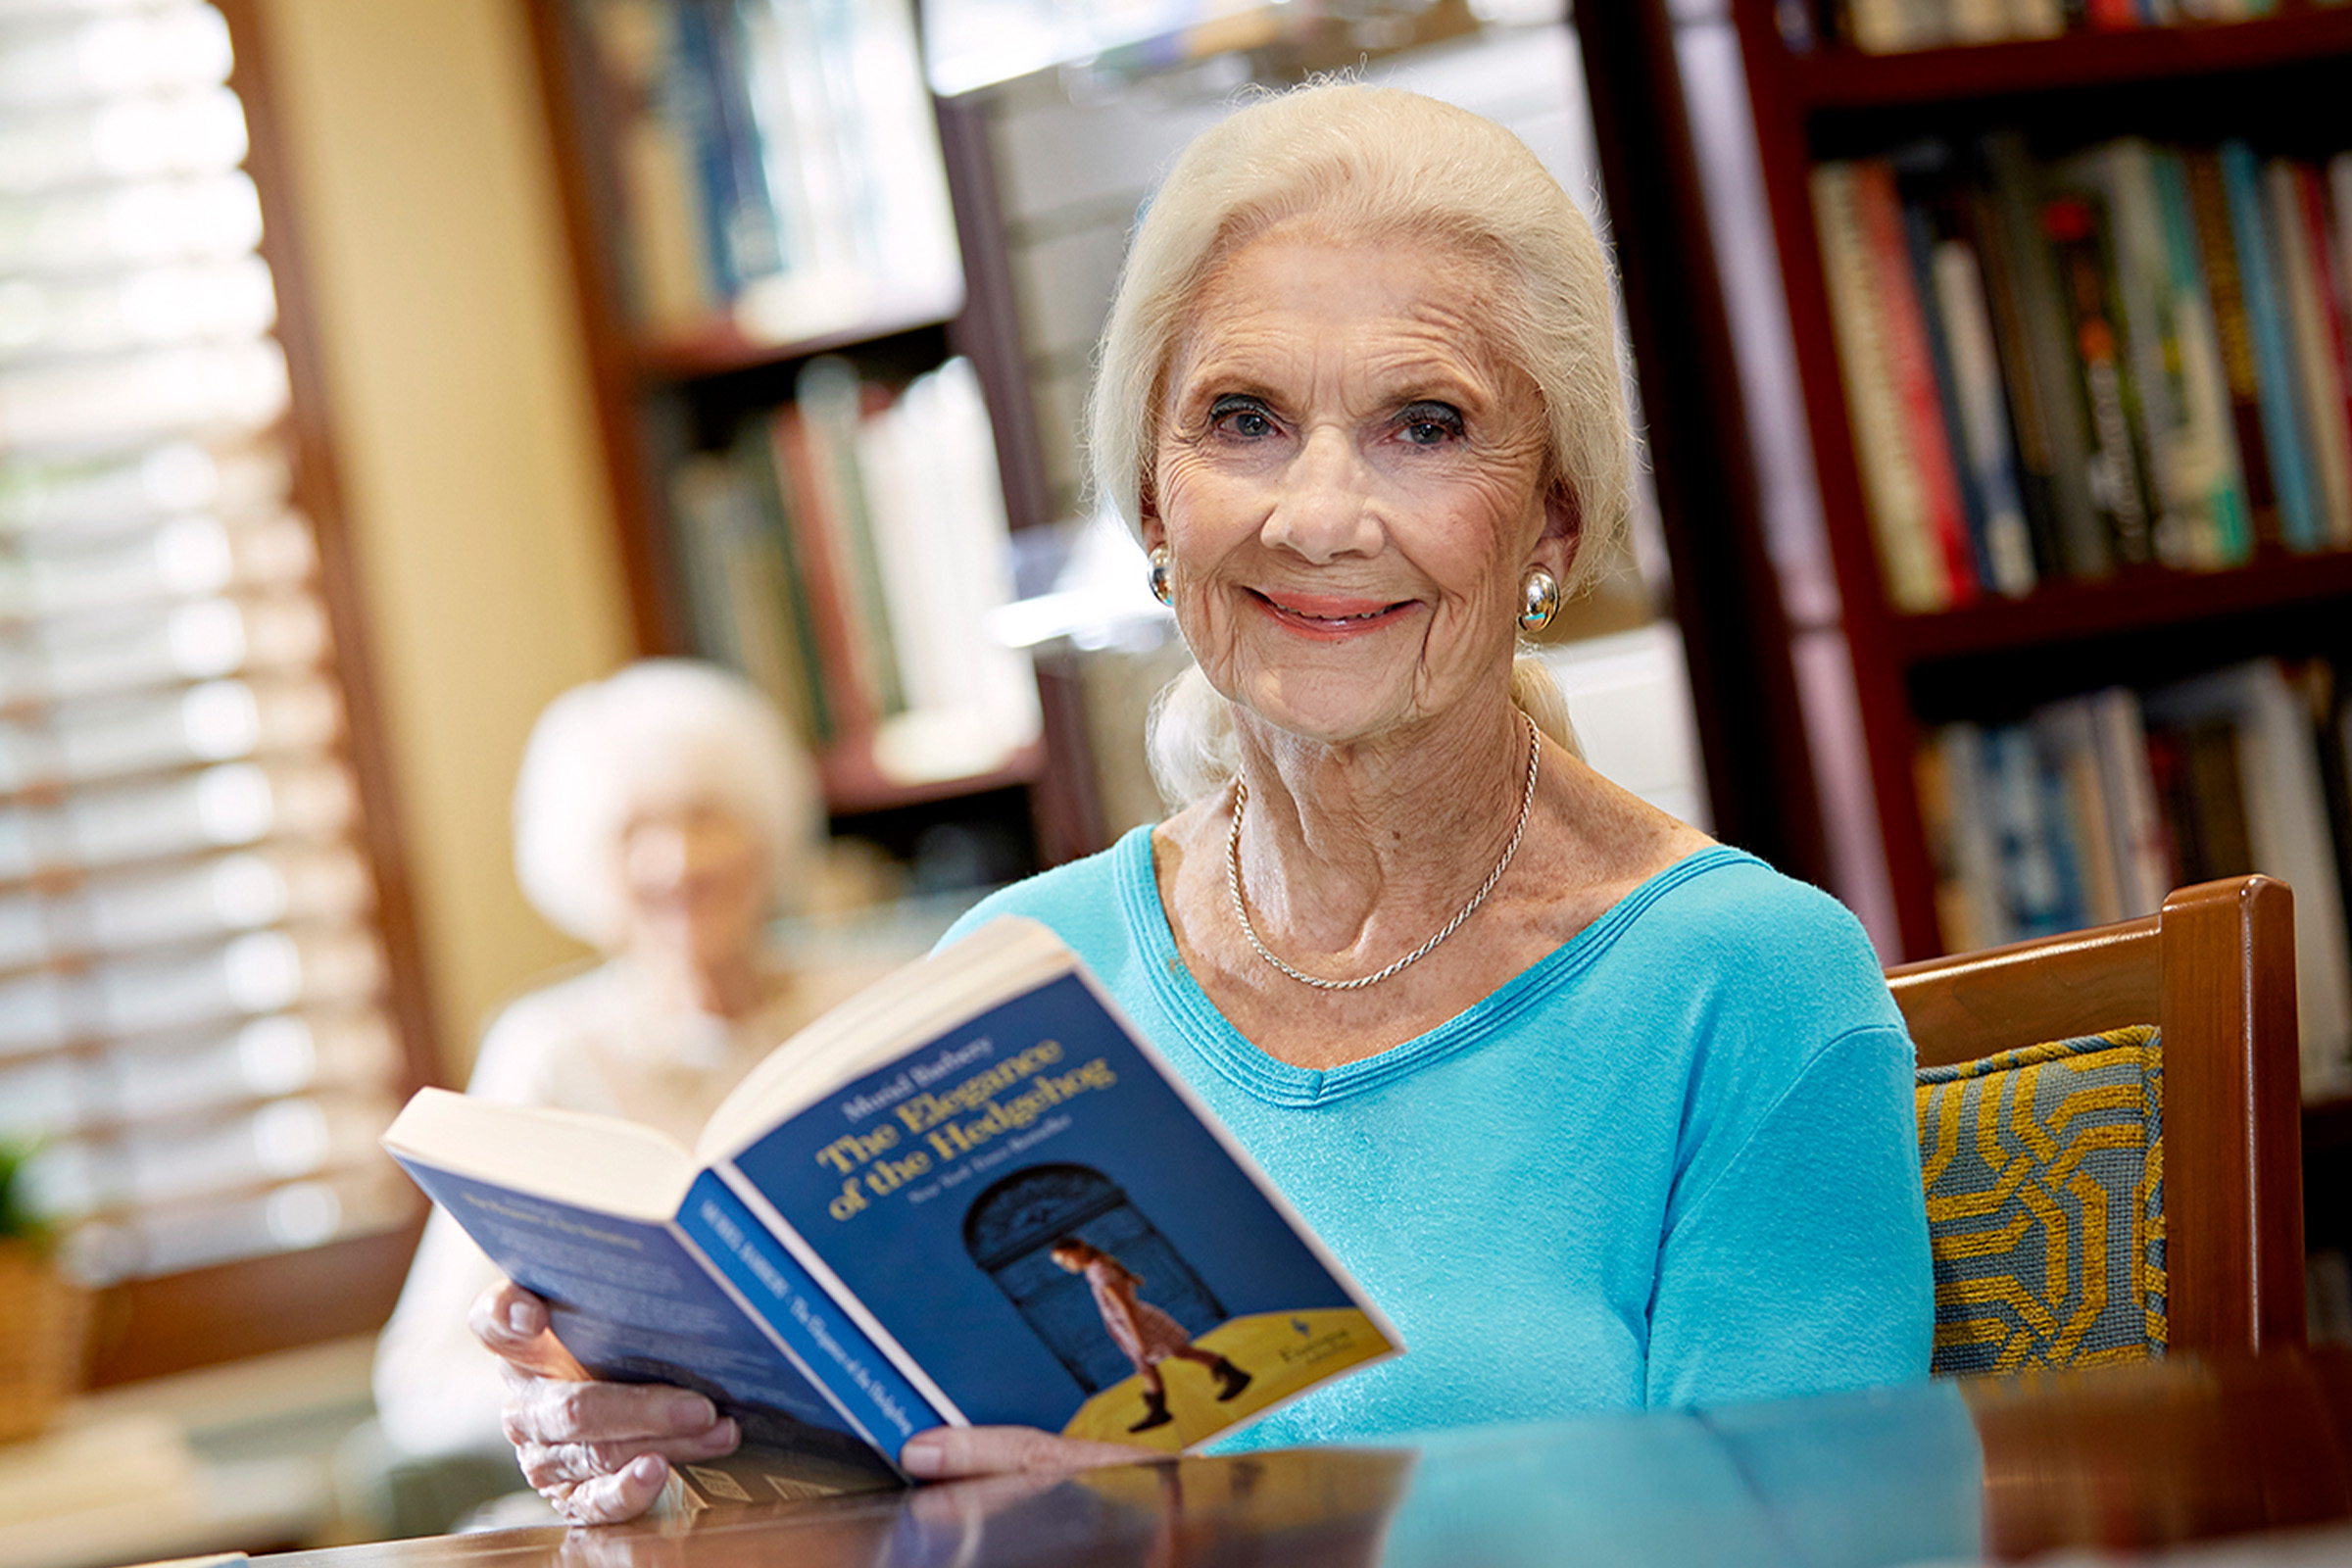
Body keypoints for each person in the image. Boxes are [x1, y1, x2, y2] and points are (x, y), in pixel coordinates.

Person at [472, 82, 1933, 1525]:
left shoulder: (1750, 987)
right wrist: (692, 1469)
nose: (1316, 515)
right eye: (1244, 418)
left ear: (1553, 515)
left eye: (1424, 425)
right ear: (1156, 509)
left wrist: (1212, 1527)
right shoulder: (1013, 973)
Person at [373, 660, 876, 1465]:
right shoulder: (547, 1049)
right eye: (633, 831)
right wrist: (585, 1403)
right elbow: (419, 1382)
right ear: (580, 859)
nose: (679, 863)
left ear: (768, 824)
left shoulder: (874, 994)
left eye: (708, 816)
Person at [1048, 1239, 1252, 1432]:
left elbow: (1125, 1307)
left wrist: (1138, 1339)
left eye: (1066, 1258)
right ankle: (1160, 1409)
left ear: (1080, 1248)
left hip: (1136, 1325)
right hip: (1130, 1325)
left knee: (1166, 1357)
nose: (1065, 1265)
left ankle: (1227, 1375)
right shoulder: (1095, 1268)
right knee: (1155, 1363)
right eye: (1061, 1262)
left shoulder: (1099, 1272)